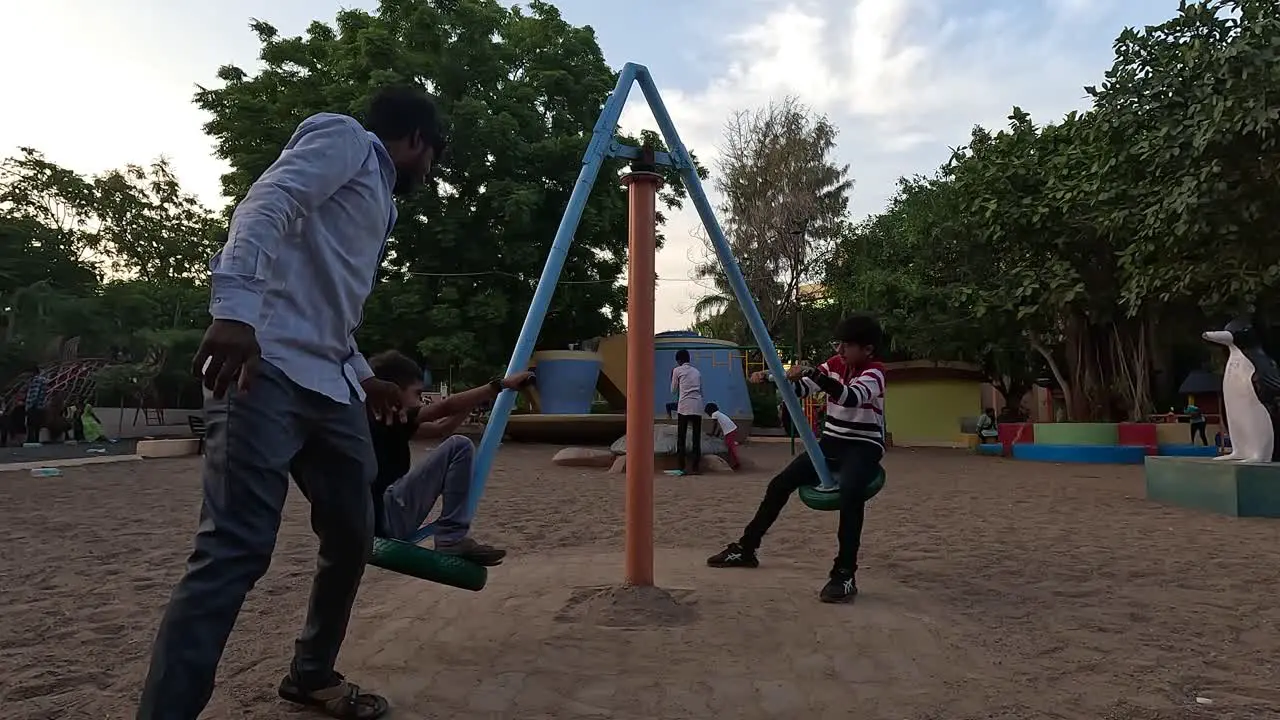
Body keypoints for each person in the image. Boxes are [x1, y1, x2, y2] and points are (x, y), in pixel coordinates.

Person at [136, 85, 445, 720]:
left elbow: (324, 299)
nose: (430, 173)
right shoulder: (345, 141)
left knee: (353, 532)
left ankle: (310, 674)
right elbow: (267, 202)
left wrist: (364, 373)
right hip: (262, 368)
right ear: (416, 139)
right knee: (236, 546)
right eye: (433, 158)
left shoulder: (381, 204)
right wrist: (234, 309)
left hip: (331, 387)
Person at [707, 314, 886, 604]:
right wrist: (773, 377)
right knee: (779, 484)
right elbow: (803, 389)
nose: (839, 351)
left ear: (867, 349)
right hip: (831, 443)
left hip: (863, 446)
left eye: (847, 345)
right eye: (838, 344)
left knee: (852, 494)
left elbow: (850, 397)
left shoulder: (875, 372)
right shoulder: (834, 364)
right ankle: (746, 548)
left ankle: (844, 574)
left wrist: (813, 374)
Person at [366, 350, 533, 563]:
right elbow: (444, 408)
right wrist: (501, 385)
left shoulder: (380, 421)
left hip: (373, 519)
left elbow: (441, 429)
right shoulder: (390, 417)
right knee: (460, 445)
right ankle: (450, 538)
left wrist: (471, 402)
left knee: (455, 444)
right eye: (417, 394)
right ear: (394, 391)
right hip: (385, 518)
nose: (420, 402)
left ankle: (450, 538)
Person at [670, 349, 703, 474]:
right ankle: (695, 467)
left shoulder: (677, 370)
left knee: (681, 437)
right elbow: (701, 390)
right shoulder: (697, 372)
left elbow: (673, 390)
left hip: (684, 406)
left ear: (679, 360)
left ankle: (681, 466)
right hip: (697, 405)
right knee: (696, 438)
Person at [704, 402, 741, 469]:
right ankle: (733, 461)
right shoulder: (719, 414)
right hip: (732, 429)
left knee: (730, 446)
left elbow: (715, 425)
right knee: (729, 445)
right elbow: (721, 426)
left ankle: (736, 462)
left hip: (729, 431)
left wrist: (712, 434)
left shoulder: (714, 414)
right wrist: (717, 434)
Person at [24, 365, 47, 444]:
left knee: (31, 423)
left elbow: (34, 393)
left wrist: (29, 405)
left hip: (34, 406)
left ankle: (31, 439)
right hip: (40, 405)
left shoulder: (36, 380)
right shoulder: (43, 379)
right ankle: (36, 439)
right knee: (37, 424)